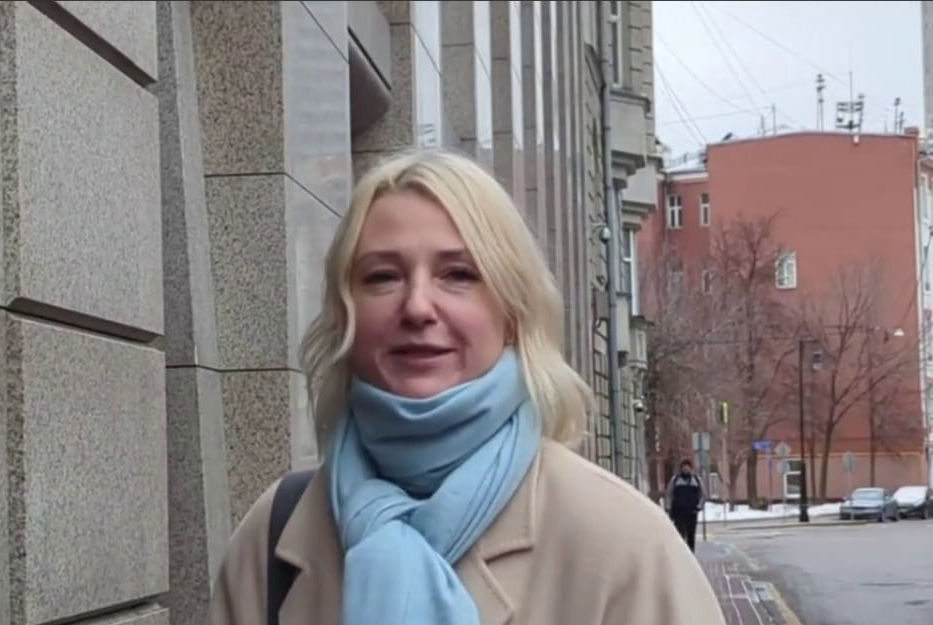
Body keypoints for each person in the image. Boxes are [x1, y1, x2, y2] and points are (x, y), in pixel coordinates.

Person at [210, 148, 726, 625]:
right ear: (346, 316)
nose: (417, 307)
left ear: (512, 315)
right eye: (383, 277)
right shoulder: (274, 536)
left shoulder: (624, 545)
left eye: (458, 274)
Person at [666, 459, 705, 553]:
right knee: (680, 534)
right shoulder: (675, 480)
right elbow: (668, 494)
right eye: (684, 467)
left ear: (691, 468)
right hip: (678, 512)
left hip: (692, 512)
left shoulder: (696, 480)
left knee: (691, 534)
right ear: (681, 468)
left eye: (688, 467)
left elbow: (703, 494)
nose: (686, 469)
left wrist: (699, 506)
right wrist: (669, 507)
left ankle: (691, 553)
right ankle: (681, 553)